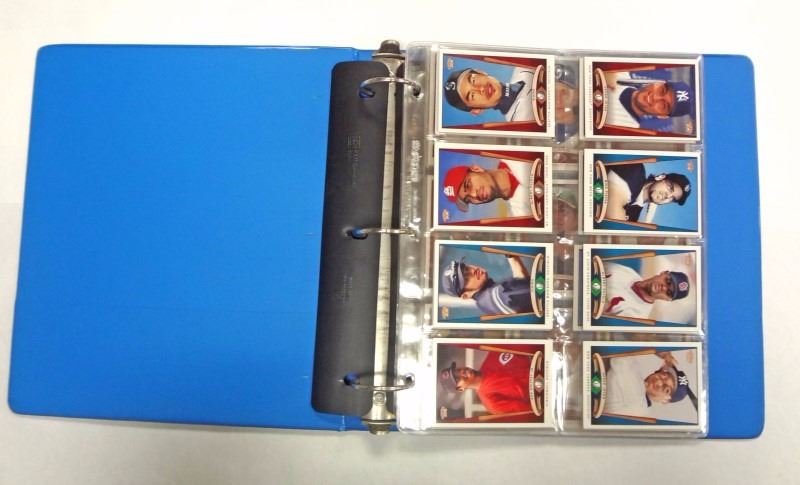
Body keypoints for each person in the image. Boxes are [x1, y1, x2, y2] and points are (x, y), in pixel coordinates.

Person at [439, 351, 533, 415]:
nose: (461, 372)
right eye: (457, 379)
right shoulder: (491, 402)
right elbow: (531, 411)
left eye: (457, 370)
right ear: (461, 389)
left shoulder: (493, 354)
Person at [603, 351, 693, 417]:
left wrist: (657, 349)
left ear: (665, 401)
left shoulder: (638, 398)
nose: (659, 382)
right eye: (665, 376)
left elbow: (620, 349)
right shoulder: (644, 410)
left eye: (666, 389)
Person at [601, 71, 695, 130]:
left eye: (664, 105)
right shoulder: (619, 71)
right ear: (659, 83)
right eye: (662, 91)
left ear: (662, 116)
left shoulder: (623, 130)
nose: (655, 98)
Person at [442, 159, 535, 217]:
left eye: (468, 185)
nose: (474, 195)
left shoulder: (514, 152)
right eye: (468, 200)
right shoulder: (519, 216)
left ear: (476, 169)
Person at [444, 66, 540, 122]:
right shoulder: (521, 123)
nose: (481, 89)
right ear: (476, 110)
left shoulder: (523, 66)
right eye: (472, 95)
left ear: (481, 72)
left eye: (473, 80)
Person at [441, 255, 532, 315]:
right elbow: (536, 291)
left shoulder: (482, 303)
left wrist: (511, 256)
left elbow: (519, 284)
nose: (473, 271)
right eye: (466, 279)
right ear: (466, 295)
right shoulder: (499, 295)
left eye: (466, 268)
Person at [605, 163, 692, 222]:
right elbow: (612, 211)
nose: (668, 196)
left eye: (673, 198)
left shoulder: (634, 216)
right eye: (670, 188)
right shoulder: (635, 170)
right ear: (660, 177)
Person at [602, 262, 690, 318]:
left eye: (669, 292)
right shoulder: (629, 272)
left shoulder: (636, 317)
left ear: (667, 299)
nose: (663, 288)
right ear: (663, 273)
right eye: (668, 281)